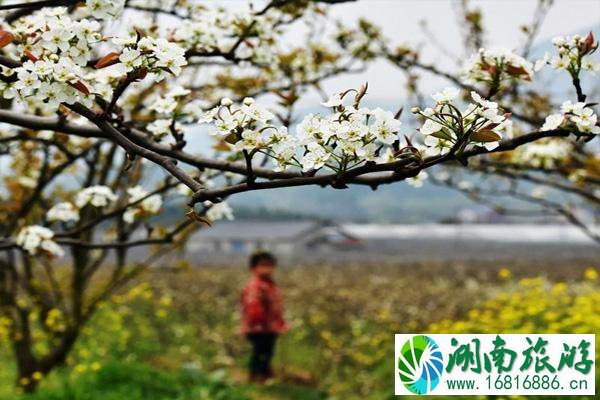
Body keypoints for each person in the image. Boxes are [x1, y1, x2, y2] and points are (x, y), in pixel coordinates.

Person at [240, 250, 288, 383]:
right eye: (263, 265)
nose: (267, 268)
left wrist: (281, 323)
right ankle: (256, 376)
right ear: (253, 267)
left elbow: (276, 307)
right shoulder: (255, 285)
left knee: (267, 352)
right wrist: (260, 323)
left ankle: (264, 374)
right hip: (258, 328)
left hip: (270, 327)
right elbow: (253, 307)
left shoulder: (270, 284)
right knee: (260, 352)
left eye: (270, 265)